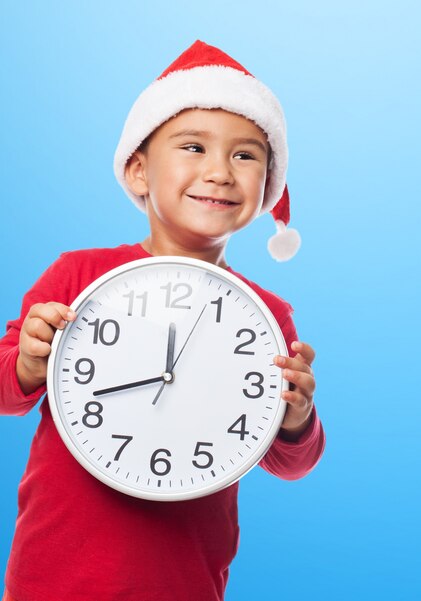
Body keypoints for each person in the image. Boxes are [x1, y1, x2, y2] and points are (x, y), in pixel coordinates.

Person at [0, 41, 325, 601]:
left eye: (246, 156)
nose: (220, 172)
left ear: (268, 185)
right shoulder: (80, 275)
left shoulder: (268, 316)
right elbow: (6, 392)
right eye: (194, 147)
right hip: (54, 578)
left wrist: (297, 416)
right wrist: (30, 362)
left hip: (184, 583)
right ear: (138, 170)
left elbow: (289, 463)